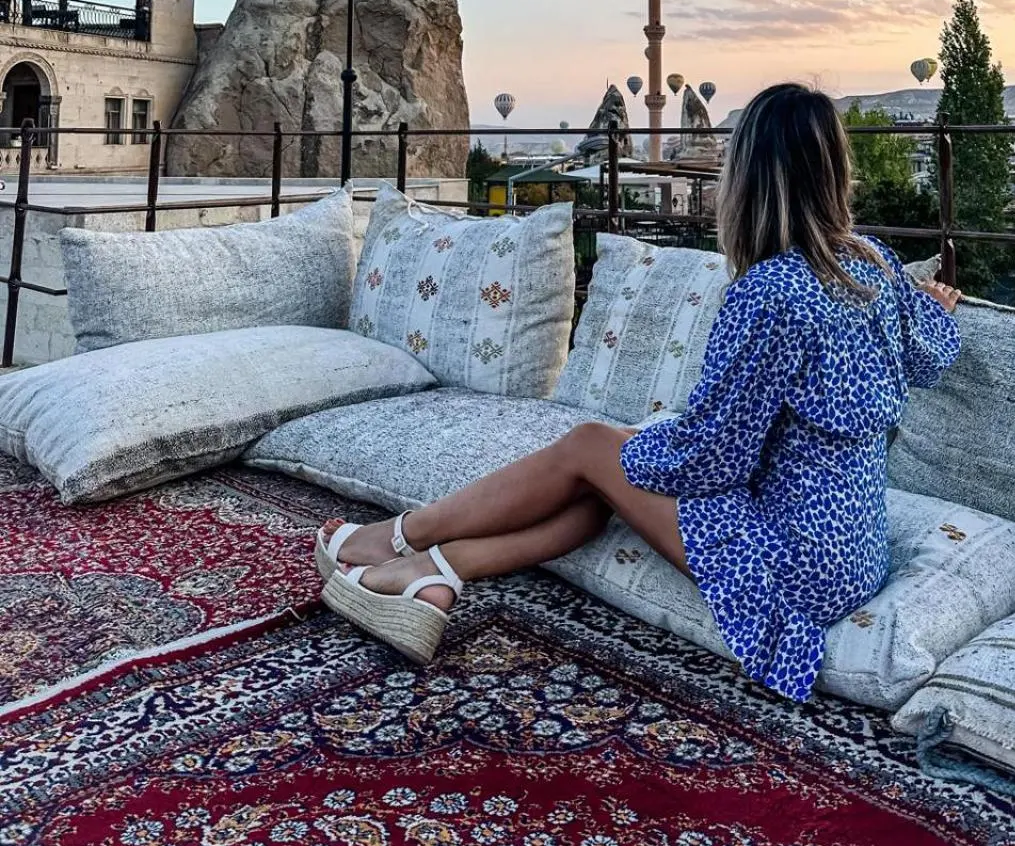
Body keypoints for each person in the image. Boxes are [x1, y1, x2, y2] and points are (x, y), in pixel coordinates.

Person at [316, 82, 961, 701]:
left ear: (749, 178)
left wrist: (633, 448)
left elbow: (713, 458)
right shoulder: (872, 266)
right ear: (832, 172)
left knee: (591, 447)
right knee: (601, 482)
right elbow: (931, 354)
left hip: (789, 562)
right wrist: (934, 305)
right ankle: (434, 573)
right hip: (853, 550)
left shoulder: (770, 293)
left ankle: (397, 536)